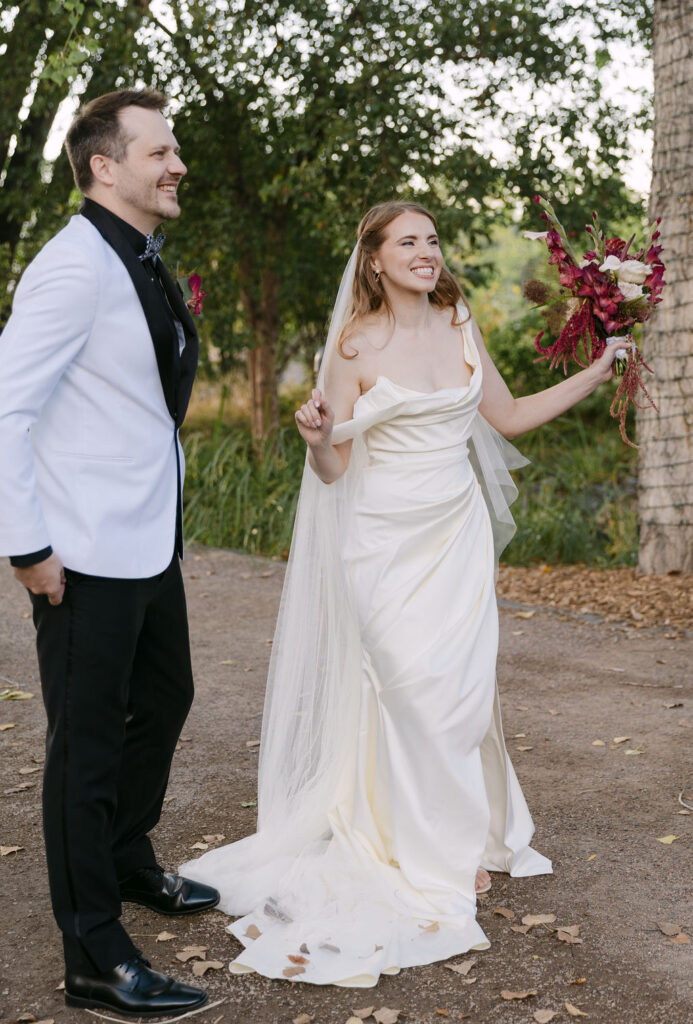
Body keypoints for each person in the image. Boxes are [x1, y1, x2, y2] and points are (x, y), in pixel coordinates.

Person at [182, 201, 627, 987]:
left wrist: (596, 371)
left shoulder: (457, 319)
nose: (425, 251)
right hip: (382, 544)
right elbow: (332, 471)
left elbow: (510, 417)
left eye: (432, 239)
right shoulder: (351, 347)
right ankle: (430, 853)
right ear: (375, 259)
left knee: (456, 695)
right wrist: (318, 439)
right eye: (408, 242)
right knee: (410, 692)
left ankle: (453, 843)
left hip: (454, 538)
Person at [0, 89, 220, 1016]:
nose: (176, 166)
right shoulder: (72, 267)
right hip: (80, 553)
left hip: (144, 541)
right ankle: (92, 951)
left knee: (166, 696)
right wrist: (29, 548)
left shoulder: (139, 258)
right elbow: (4, 409)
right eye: (160, 151)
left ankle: (126, 857)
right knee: (84, 752)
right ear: (105, 166)